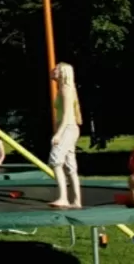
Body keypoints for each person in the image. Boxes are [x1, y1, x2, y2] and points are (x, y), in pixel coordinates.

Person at [48, 62, 83, 208]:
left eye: (56, 69)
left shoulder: (66, 88)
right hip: (70, 128)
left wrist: (59, 134)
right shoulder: (66, 88)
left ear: (63, 72)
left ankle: (63, 198)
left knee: (55, 160)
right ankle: (76, 201)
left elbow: (68, 113)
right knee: (70, 166)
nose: (53, 70)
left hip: (68, 128)